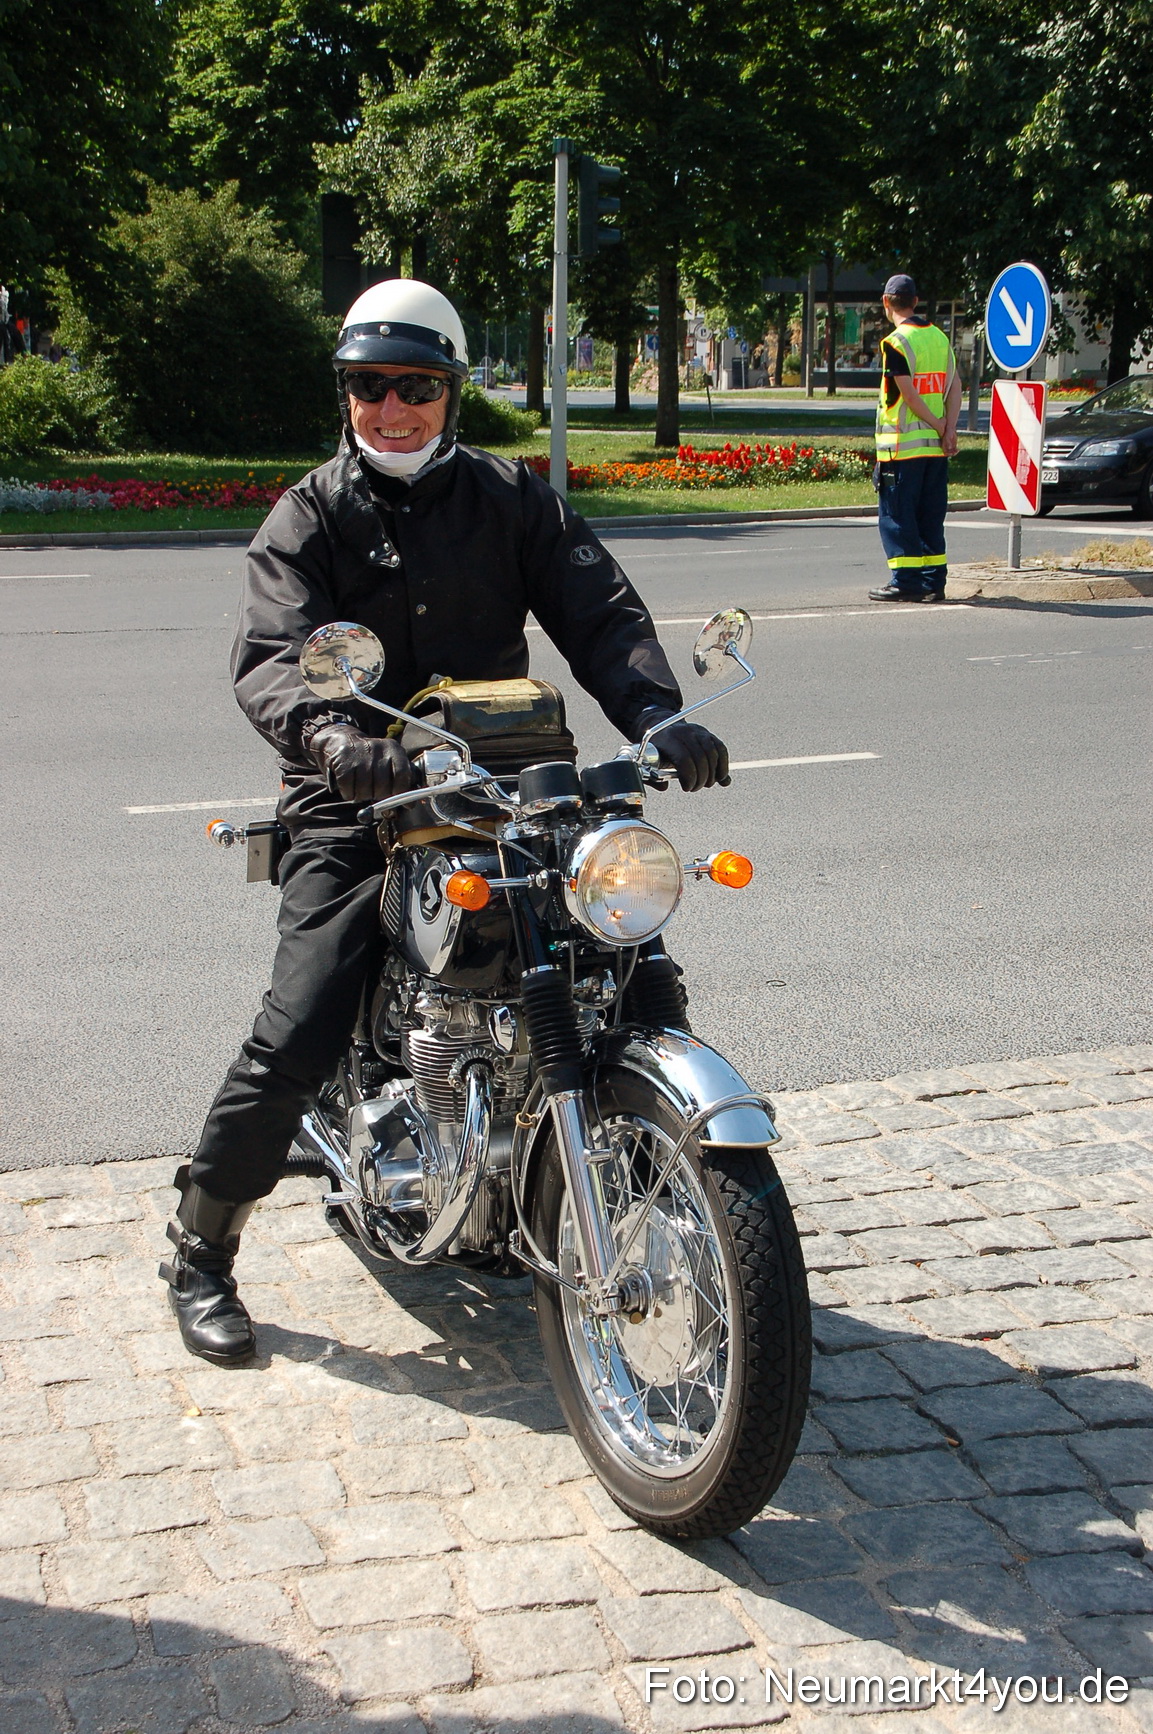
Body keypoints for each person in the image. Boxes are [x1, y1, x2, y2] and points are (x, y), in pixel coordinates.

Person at [161, 278, 729, 1366]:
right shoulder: (309, 516)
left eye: (413, 386)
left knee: (624, 957)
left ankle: (651, 1190)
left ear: (451, 391)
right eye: (369, 387)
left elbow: (599, 612)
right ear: (347, 394)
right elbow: (275, 659)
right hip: (357, 799)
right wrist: (334, 743)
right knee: (305, 1016)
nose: (391, 409)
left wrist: (658, 715)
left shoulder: (513, 499)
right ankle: (199, 1247)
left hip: (504, 789)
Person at [868, 273, 962, 603]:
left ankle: (906, 581)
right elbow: (955, 387)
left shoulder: (896, 343)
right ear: (915, 302)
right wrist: (949, 429)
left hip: (902, 450)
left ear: (886, 302)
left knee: (897, 516)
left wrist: (939, 425)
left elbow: (907, 395)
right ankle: (934, 582)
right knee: (930, 516)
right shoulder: (938, 337)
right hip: (934, 452)